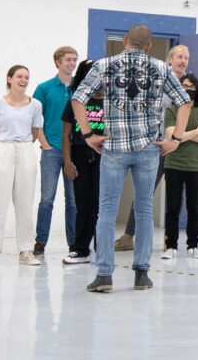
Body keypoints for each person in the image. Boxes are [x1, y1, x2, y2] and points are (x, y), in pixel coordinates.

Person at [70, 24, 190, 293]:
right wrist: (176, 139)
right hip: (148, 148)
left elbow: (78, 98)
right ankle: (142, 274)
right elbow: (185, 102)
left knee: (107, 210)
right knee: (145, 209)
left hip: (113, 147)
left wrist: (88, 133)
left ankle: (104, 275)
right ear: (149, 46)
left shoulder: (103, 65)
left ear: (125, 41)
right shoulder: (162, 68)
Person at [114, 39, 196, 253]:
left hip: (181, 145)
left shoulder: (191, 84)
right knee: (145, 191)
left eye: (186, 58)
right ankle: (128, 236)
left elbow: (197, 114)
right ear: (170, 59)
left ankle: (171, 240)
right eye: (179, 57)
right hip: (158, 145)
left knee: (177, 195)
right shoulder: (158, 80)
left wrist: (181, 138)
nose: (183, 61)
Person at [0, 66, 45, 267]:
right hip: (2, 148)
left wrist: (22, 148)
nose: (24, 80)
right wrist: (2, 151)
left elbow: (35, 132)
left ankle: (26, 250)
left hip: (26, 149)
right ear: (9, 79)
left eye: (27, 77)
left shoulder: (35, 105)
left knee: (25, 202)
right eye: (19, 76)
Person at [32, 46, 80, 259]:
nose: (72, 63)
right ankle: (40, 241)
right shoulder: (44, 88)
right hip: (51, 151)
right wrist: (44, 144)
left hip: (74, 152)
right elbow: (33, 118)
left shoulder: (79, 89)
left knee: (73, 200)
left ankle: (74, 243)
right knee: (47, 199)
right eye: (68, 59)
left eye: (75, 60)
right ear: (58, 62)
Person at [161, 73, 198, 262]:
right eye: (184, 86)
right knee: (172, 207)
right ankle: (171, 246)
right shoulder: (171, 110)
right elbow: (172, 136)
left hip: (196, 166)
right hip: (174, 164)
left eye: (192, 86)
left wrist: (182, 135)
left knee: (194, 208)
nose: (188, 89)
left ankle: (193, 246)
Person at [59, 53, 106, 265]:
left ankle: (102, 247)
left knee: (101, 204)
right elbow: (66, 135)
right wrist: (68, 162)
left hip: (104, 157)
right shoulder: (75, 101)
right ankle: (80, 249)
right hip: (79, 155)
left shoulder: (111, 102)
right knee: (83, 204)